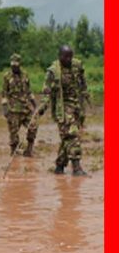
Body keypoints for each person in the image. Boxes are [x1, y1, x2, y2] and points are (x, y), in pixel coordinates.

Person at [39, 44, 90, 176]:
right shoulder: (53, 71)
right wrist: (43, 106)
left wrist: (86, 94)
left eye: (70, 56)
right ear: (60, 56)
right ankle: (76, 167)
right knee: (73, 136)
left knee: (66, 138)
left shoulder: (77, 66)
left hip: (76, 107)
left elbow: (82, 82)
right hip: (63, 108)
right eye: (66, 56)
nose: (69, 59)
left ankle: (59, 166)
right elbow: (46, 92)